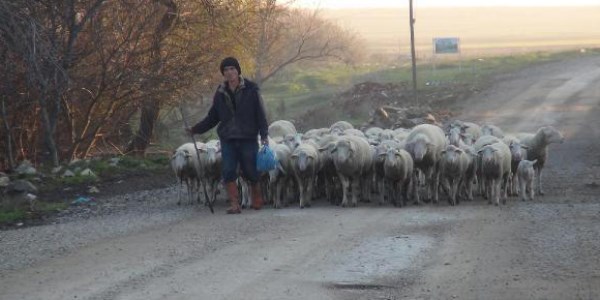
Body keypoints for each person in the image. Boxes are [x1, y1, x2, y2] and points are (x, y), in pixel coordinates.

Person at [186, 57, 269, 214]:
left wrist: (264, 134)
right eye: (226, 70)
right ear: (223, 73)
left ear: (238, 70)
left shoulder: (251, 89)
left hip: (248, 136)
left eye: (232, 69)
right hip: (228, 137)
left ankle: (256, 196)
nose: (229, 72)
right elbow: (213, 117)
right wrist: (195, 129)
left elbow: (261, 114)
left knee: (250, 170)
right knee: (228, 170)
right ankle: (234, 204)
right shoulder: (220, 93)